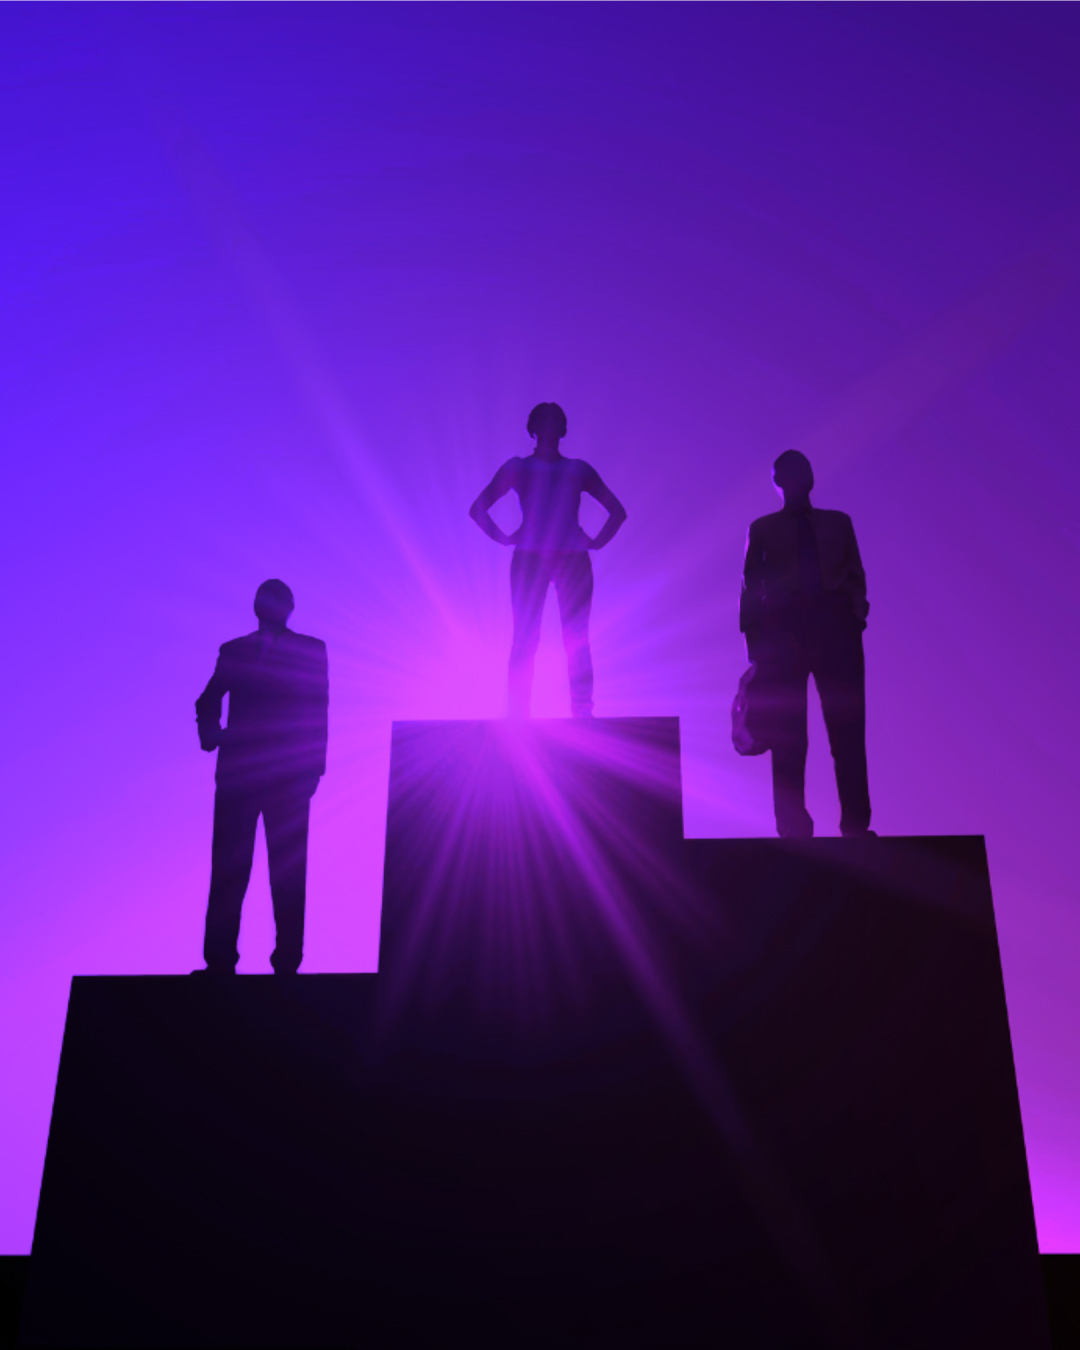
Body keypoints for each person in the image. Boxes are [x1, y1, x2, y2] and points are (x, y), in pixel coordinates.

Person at [193, 580, 329, 974]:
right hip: (239, 775)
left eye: (277, 599)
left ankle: (287, 961)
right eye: (265, 599)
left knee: (287, 872)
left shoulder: (310, 650)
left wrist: (313, 768)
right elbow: (208, 698)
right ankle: (219, 961)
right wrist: (211, 734)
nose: (270, 605)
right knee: (229, 869)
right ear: (256, 606)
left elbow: (317, 710)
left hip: (288, 775)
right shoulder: (233, 650)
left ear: (289, 607)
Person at [740, 450, 873, 839]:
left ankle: (855, 824)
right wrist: (756, 645)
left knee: (847, 730)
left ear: (811, 477)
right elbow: (750, 586)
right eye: (786, 471)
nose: (796, 476)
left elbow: (855, 573)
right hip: (784, 633)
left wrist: (855, 617)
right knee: (788, 734)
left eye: (802, 469)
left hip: (836, 628)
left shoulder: (838, 523)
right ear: (777, 481)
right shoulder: (762, 528)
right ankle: (792, 826)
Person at [469, 402, 626, 718]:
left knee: (576, 638)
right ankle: (518, 714)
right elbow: (478, 508)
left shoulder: (577, 469)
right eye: (544, 419)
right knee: (525, 638)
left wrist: (595, 542)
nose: (550, 425)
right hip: (529, 557)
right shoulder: (518, 467)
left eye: (556, 420)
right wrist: (505, 537)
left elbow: (617, 512)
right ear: (533, 427)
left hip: (572, 557)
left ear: (563, 428)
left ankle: (582, 712)